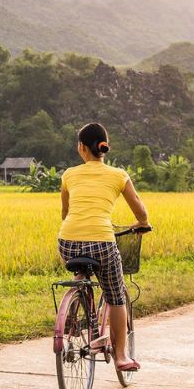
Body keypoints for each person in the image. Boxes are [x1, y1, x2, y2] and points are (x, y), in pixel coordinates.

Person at [58, 122, 150, 372]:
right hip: (102, 242)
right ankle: (120, 356)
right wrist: (142, 223)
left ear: (81, 148)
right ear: (104, 148)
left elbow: (66, 214)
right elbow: (140, 210)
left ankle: (79, 293)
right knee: (116, 294)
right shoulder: (119, 175)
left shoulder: (69, 175)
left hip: (67, 243)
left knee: (81, 264)